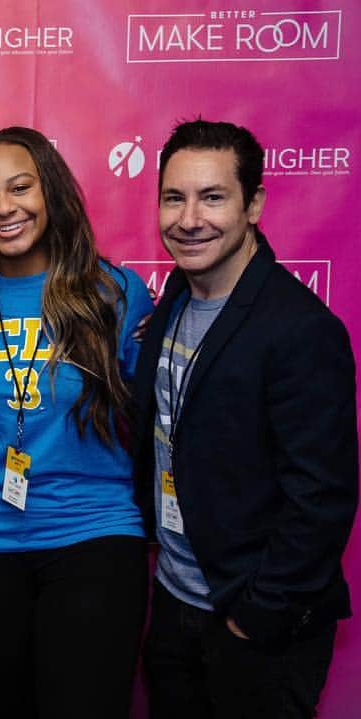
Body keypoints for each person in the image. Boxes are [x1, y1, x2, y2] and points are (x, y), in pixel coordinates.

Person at [0, 127, 153, 718]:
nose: (5, 208)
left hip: (92, 537)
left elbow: (157, 421)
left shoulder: (116, 294)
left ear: (49, 192)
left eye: (20, 188)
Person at [133, 119, 358, 719]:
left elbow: (323, 495)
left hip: (254, 626)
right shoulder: (175, 301)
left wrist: (255, 615)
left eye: (213, 197)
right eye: (174, 197)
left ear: (253, 204)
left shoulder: (300, 329)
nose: (189, 219)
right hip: (176, 605)